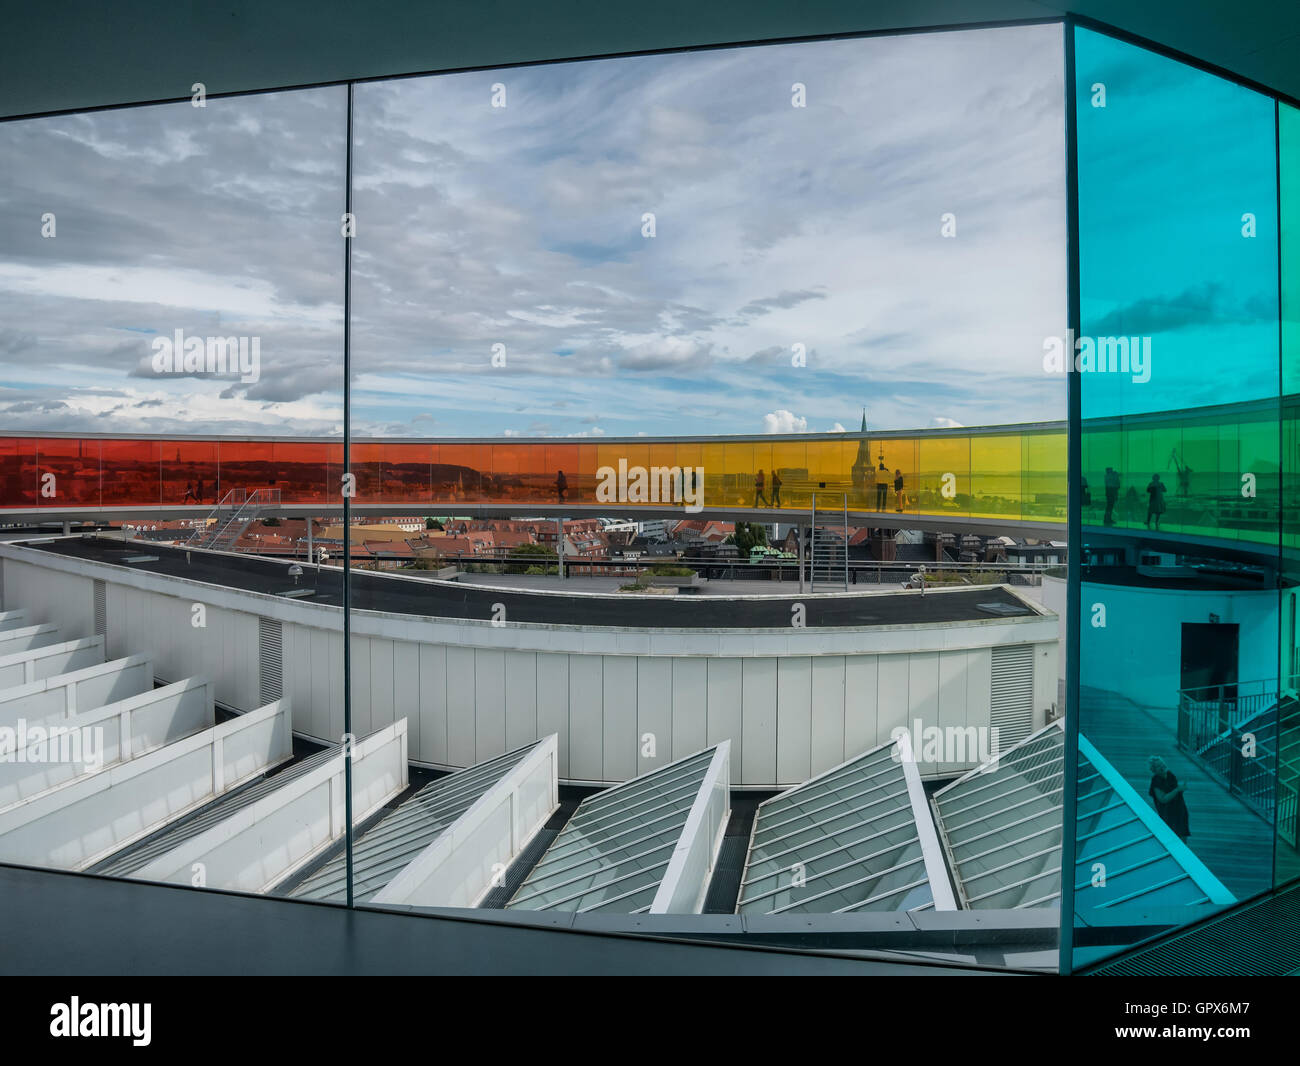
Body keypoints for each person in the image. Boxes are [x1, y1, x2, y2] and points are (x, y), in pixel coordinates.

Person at [1148, 756, 1190, 842]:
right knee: (1172, 837)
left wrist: (1181, 789)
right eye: (1158, 766)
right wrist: (1177, 789)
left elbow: (1174, 790)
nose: (1162, 766)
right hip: (1168, 813)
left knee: (1183, 834)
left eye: (1162, 764)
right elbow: (1163, 799)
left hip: (1180, 808)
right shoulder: (1156, 781)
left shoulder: (1170, 775)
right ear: (1154, 770)